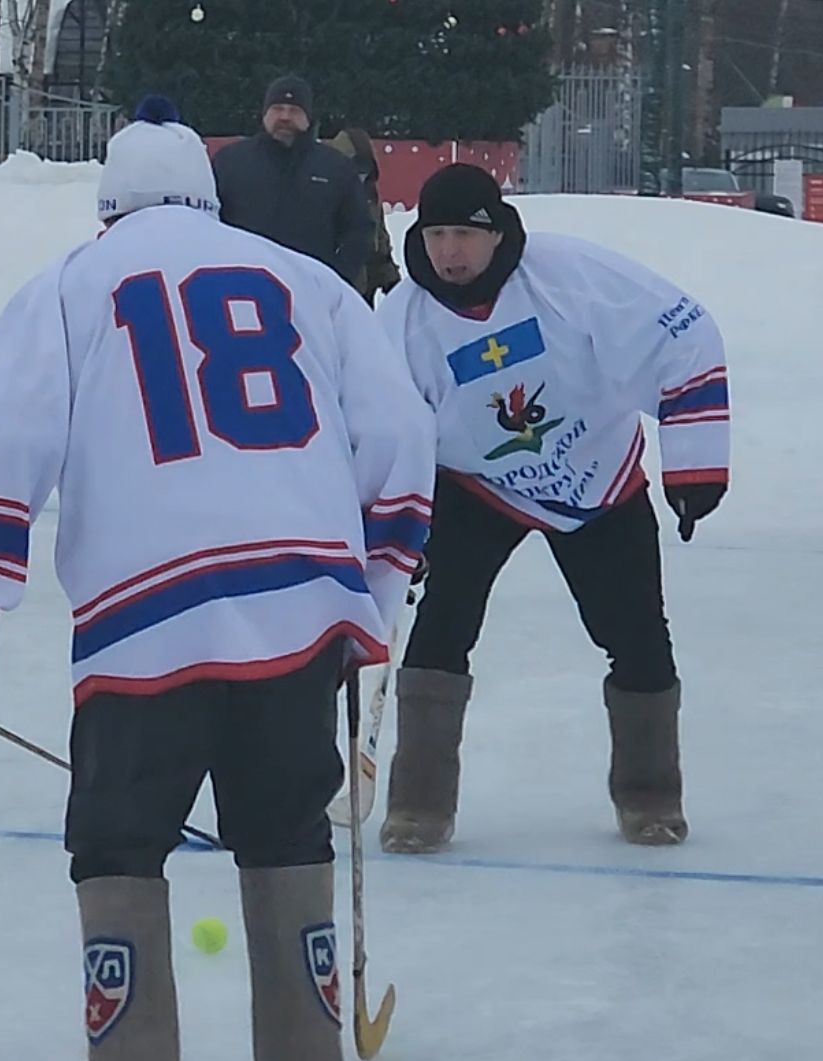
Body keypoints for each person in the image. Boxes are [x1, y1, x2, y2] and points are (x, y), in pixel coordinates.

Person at [0, 101, 434, 1061]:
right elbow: (402, 436)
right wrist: (369, 589)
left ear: (106, 207)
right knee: (286, 835)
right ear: (211, 198)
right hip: (298, 612)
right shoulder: (304, 282)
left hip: (146, 623)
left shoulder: (72, 284)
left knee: (119, 844)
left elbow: (2, 440)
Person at [374, 164, 730, 853]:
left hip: (597, 473)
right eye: (436, 234)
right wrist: (400, 523)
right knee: (443, 625)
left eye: (465, 235)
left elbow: (684, 333)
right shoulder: (403, 321)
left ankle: (651, 795)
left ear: (497, 232)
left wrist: (696, 462)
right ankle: (418, 804)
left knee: (634, 632)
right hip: (477, 486)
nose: (450, 252)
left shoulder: (567, 275)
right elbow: (386, 427)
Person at [211, 75, 375, 287]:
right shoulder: (230, 162)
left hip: (310, 294)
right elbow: (208, 222)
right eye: (278, 108)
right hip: (241, 289)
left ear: (308, 117)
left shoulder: (336, 167)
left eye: (294, 110)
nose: (285, 117)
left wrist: (335, 278)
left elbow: (359, 229)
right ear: (264, 114)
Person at [322, 123, 403, 304]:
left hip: (366, 292)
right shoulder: (323, 195)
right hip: (336, 291)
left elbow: (379, 242)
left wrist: (390, 279)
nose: (360, 176)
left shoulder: (370, 196)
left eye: (365, 170)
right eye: (355, 169)